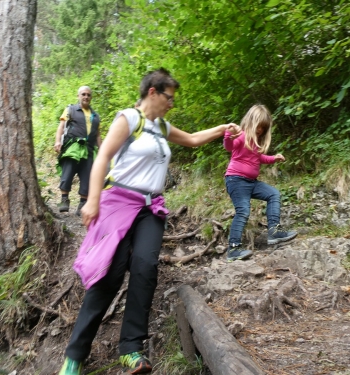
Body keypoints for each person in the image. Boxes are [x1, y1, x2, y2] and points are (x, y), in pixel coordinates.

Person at [58, 68, 241, 375]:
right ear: (153, 92)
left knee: (145, 268)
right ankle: (75, 354)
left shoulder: (161, 126)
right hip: (118, 202)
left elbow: (194, 139)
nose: (172, 103)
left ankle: (131, 349)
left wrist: (223, 128)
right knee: (109, 276)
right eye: (169, 97)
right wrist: (91, 199)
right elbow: (102, 156)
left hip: (150, 208)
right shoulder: (130, 119)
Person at [223, 104, 297, 262]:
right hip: (236, 180)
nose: (260, 131)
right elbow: (229, 147)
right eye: (258, 127)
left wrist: (274, 158)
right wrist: (228, 135)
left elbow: (260, 158)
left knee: (273, 194)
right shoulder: (241, 136)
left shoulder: (256, 142)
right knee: (243, 211)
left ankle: (274, 231)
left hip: (251, 182)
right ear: (251, 122)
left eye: (263, 128)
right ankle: (233, 249)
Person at [54, 86, 102, 216]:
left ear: (91, 97)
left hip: (89, 149)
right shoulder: (70, 110)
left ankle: (82, 204)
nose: (86, 97)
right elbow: (61, 127)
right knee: (67, 172)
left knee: (87, 176)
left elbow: (97, 134)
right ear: (78, 96)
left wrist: (102, 150)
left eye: (88, 95)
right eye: (83, 94)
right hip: (72, 147)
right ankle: (64, 200)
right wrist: (57, 141)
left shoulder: (95, 115)